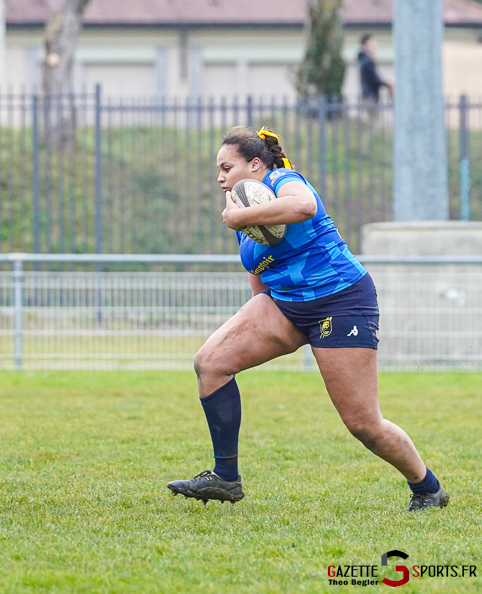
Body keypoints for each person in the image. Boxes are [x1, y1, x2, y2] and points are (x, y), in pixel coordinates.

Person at [166, 127, 448, 512]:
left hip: (342, 301)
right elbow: (259, 282)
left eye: (226, 167)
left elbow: (304, 208)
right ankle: (226, 478)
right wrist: (256, 323)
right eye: (218, 170)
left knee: (363, 423)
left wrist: (238, 217)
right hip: (285, 305)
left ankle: (428, 488)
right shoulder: (245, 215)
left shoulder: (283, 179)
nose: (220, 178)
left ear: (254, 164)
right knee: (211, 362)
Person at [358, 34, 393, 103]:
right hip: (370, 97)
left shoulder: (363, 59)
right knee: (375, 114)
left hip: (368, 95)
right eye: (372, 46)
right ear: (366, 45)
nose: (374, 49)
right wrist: (387, 83)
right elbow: (375, 79)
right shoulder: (367, 62)